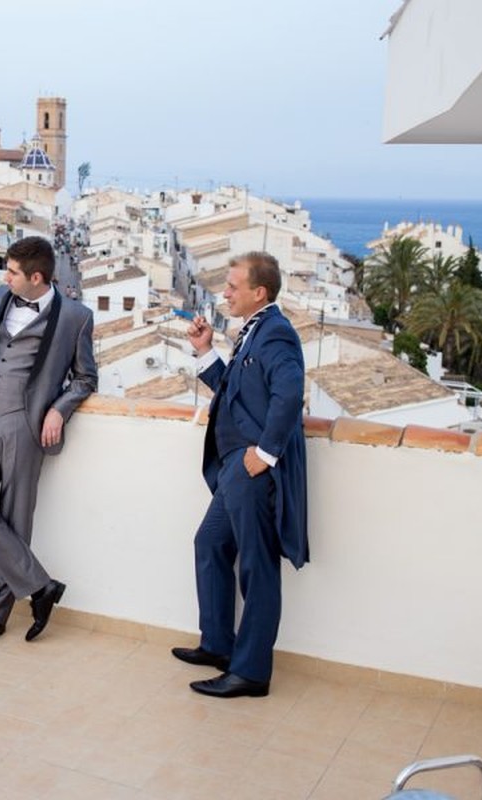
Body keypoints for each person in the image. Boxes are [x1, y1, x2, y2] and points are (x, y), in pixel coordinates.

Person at [172, 252, 309, 699]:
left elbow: (288, 398)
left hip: (251, 469)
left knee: (257, 567)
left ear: (259, 293)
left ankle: (251, 672)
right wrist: (206, 351)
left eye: (232, 286)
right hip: (234, 466)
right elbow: (235, 393)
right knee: (209, 543)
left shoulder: (277, 336)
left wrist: (265, 454)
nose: (225, 293)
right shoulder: (253, 332)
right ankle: (218, 645)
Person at [0, 236, 97, 650]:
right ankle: (41, 587)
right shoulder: (2, 297)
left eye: (13, 272)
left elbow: (87, 378)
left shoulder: (76, 317)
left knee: (16, 521)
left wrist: (58, 409)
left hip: (26, 425)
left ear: (37, 277)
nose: (4, 277)